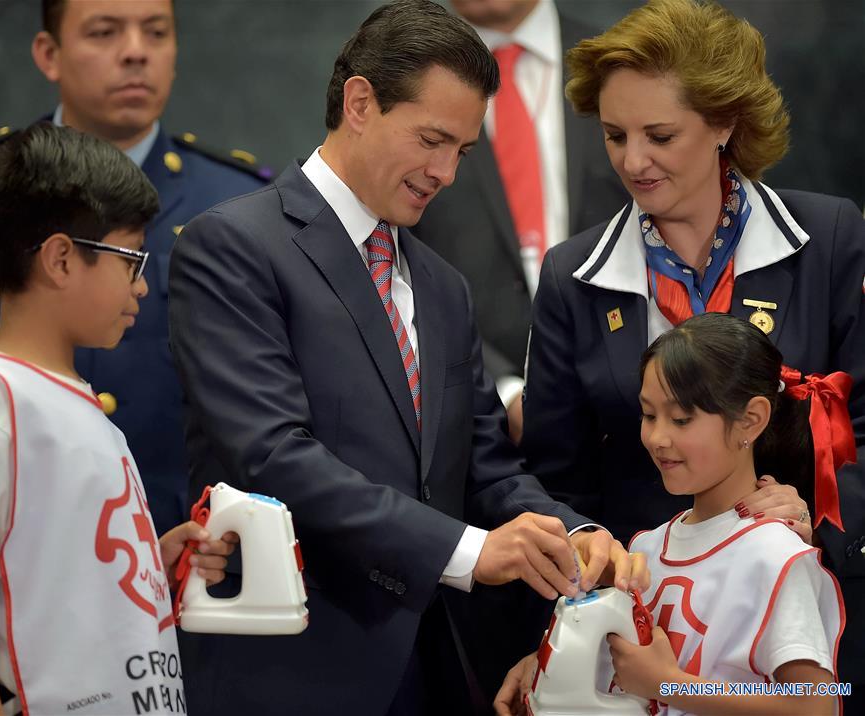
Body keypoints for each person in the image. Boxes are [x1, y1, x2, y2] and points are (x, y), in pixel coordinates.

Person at [168, 2, 647, 714]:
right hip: (291, 666)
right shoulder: (233, 246)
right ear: (359, 102)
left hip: (437, 668)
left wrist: (567, 533)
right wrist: (465, 552)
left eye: (462, 151)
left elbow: (482, 464)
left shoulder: (441, 284)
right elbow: (271, 455)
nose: (446, 172)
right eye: (431, 139)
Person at [519, 0, 865, 705]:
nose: (632, 160)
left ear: (724, 124)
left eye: (660, 134)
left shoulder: (827, 237)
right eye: (615, 135)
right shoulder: (571, 274)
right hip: (646, 638)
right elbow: (556, 477)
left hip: (812, 622)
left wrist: (824, 518)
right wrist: (567, 616)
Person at [0, 0, 270, 536]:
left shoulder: (239, 203)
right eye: (104, 32)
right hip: (8, 529)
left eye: (156, 33)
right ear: (49, 53)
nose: (135, 53)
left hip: (182, 540)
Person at [0, 123, 236, 716]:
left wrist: (147, 567)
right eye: (130, 259)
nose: (142, 284)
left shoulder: (76, 404)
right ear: (61, 258)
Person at [497, 312, 847, 715]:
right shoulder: (645, 547)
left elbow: (815, 706)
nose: (658, 438)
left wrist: (671, 685)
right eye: (648, 415)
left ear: (751, 419)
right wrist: (552, 665)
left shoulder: (777, 554)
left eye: (682, 419)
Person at [416, 0, 626, 444]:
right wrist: (504, 391)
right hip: (470, 424)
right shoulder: (405, 69)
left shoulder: (624, 60)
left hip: (632, 410)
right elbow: (389, 255)